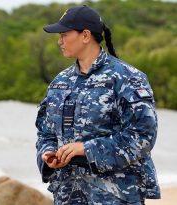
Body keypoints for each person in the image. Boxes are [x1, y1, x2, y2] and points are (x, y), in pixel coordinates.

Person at [35, 5, 160, 204]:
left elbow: (143, 137)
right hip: (67, 194)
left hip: (115, 195)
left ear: (85, 35)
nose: (60, 41)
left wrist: (86, 149)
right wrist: (48, 154)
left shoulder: (127, 78)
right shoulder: (60, 82)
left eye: (64, 34)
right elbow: (45, 133)